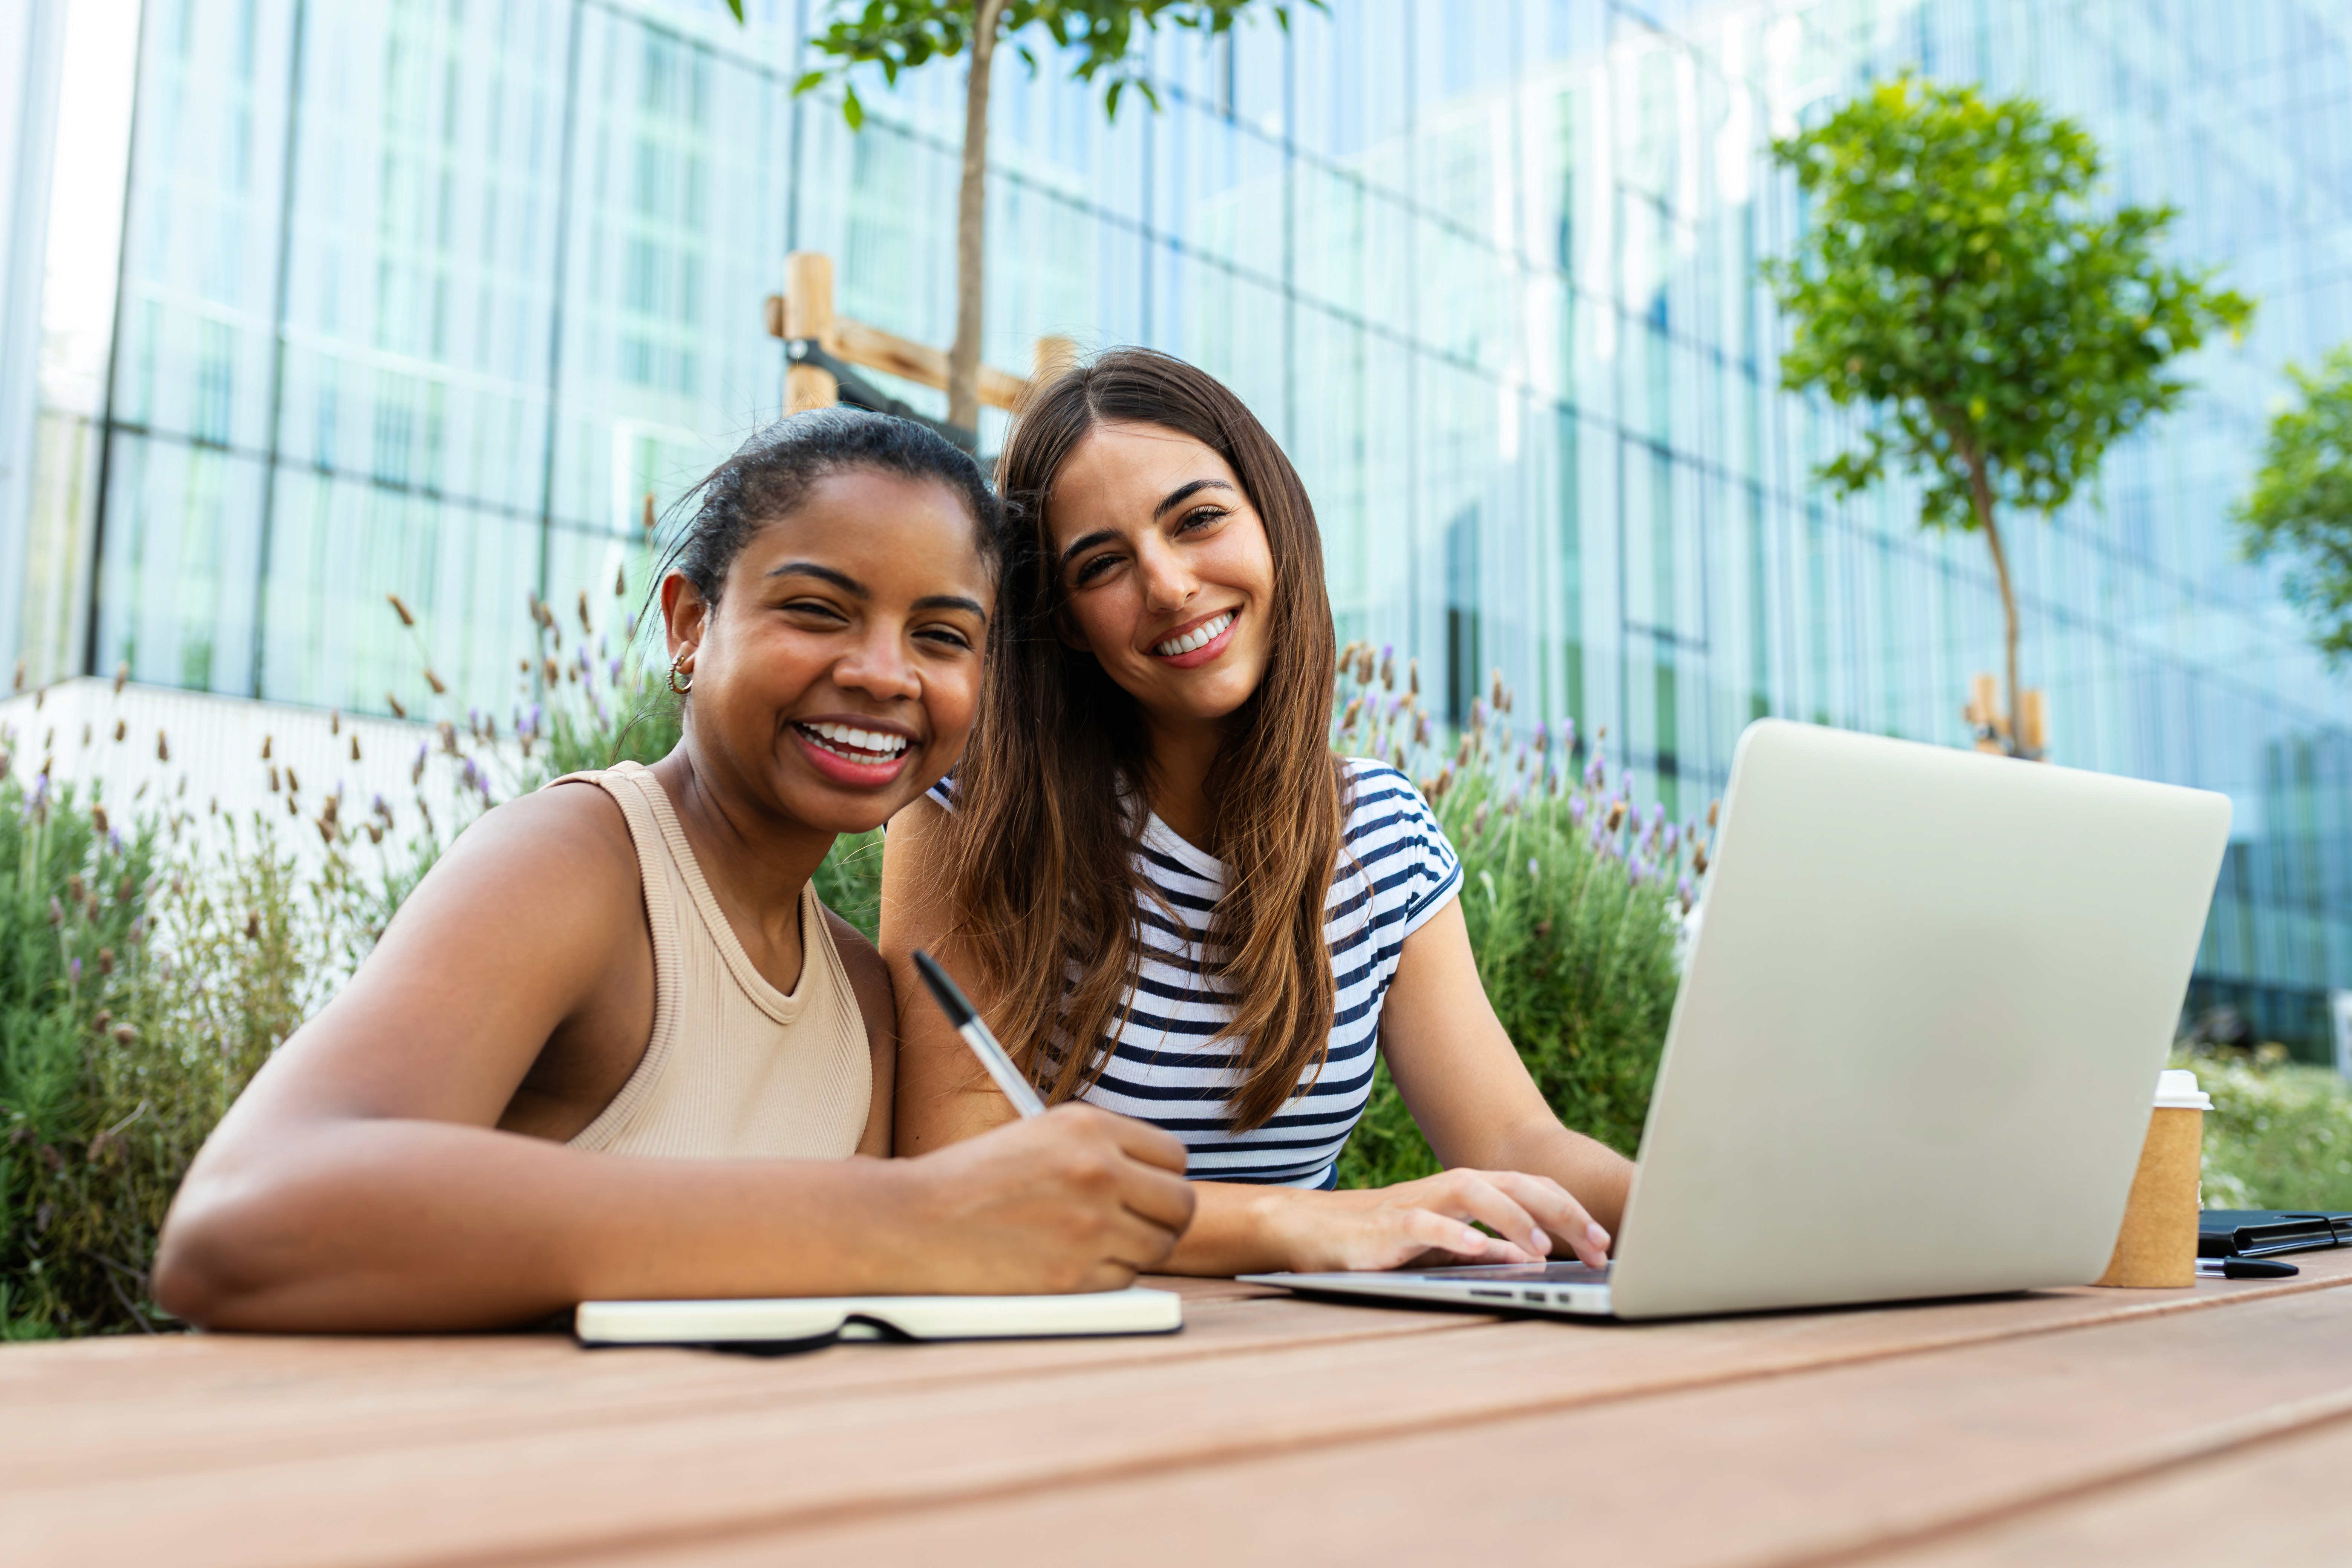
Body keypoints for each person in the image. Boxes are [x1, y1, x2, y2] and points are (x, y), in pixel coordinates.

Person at [155, 409, 1195, 1332]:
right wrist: (922, 1213)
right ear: (690, 624)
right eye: (819, 611)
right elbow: (247, 1215)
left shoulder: (865, 995)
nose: (884, 673)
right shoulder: (577, 866)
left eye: (941, 636)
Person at [882, 350, 1633, 1278]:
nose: (1167, 584)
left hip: (1296, 1359)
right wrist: (1305, 1223)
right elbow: (961, 1186)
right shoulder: (968, 821)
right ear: (1068, 620)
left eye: (1197, 519)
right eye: (1104, 563)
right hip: (1064, 1367)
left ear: (1274, 521)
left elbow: (1517, 1143)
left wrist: (1710, 1210)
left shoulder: (1382, 837)